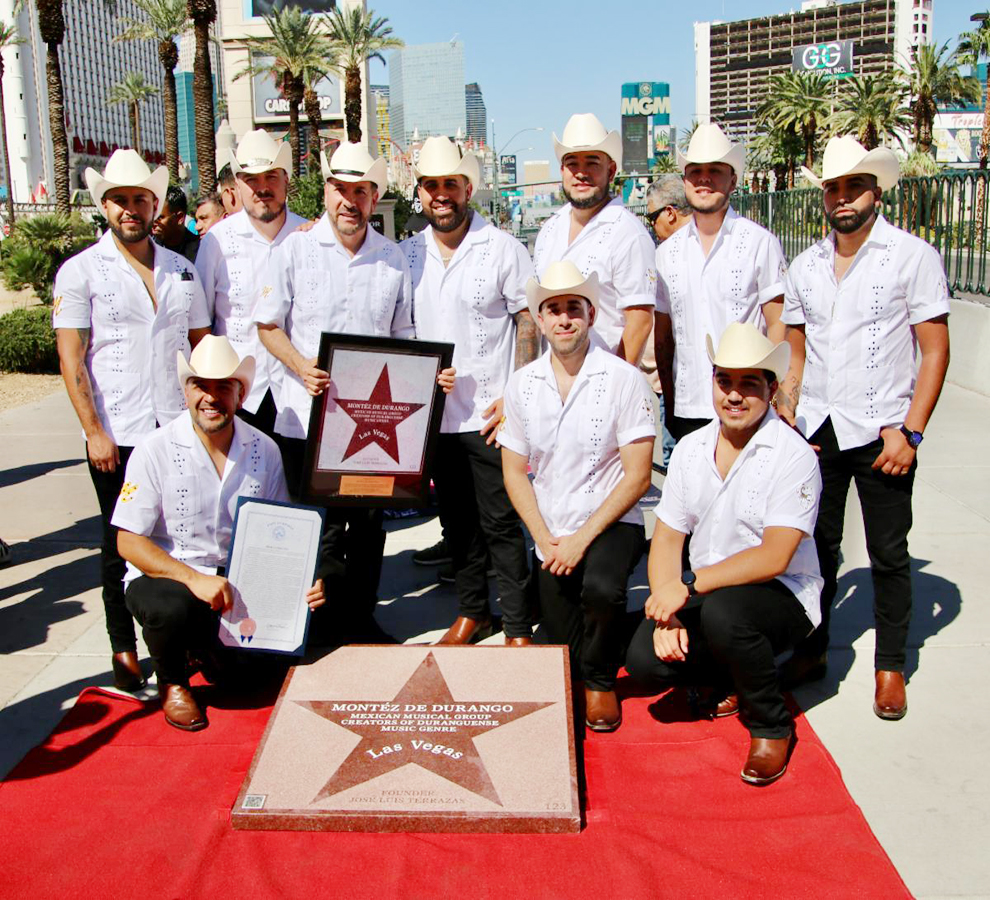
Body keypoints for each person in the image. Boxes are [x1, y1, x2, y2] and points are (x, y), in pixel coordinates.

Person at [777, 136, 951, 719]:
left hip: (884, 433)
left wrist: (912, 431)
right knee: (813, 550)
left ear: (876, 192)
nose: (843, 197)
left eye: (854, 186)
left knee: (888, 553)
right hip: (818, 429)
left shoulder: (912, 256)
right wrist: (789, 416)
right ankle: (812, 650)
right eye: (833, 187)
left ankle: (891, 665)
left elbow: (933, 350)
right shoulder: (804, 265)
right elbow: (795, 354)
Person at [255, 142, 450, 643]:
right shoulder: (293, 249)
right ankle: (313, 626)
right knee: (313, 527)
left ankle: (360, 618)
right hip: (304, 416)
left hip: (375, 423)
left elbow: (404, 336)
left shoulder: (391, 257)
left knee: (366, 527)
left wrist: (426, 379)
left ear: (374, 196)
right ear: (326, 192)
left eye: (360, 191)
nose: (349, 201)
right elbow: (268, 326)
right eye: (340, 189)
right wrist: (301, 367)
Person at [626, 323, 822, 786]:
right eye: (724, 382)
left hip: (782, 592)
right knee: (644, 660)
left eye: (749, 383)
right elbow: (669, 537)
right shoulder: (692, 449)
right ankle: (731, 673)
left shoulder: (794, 456)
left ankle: (770, 724)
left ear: (772, 390)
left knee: (727, 616)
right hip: (710, 590)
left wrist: (686, 586)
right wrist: (666, 612)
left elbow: (774, 557)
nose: (734, 396)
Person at [53, 149, 212, 693]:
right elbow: (72, 357)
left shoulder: (182, 270)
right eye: (119, 200)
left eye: (139, 199)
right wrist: (94, 430)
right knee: (117, 538)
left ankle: (178, 640)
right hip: (116, 432)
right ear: (105, 205)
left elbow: (199, 347)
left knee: (178, 533)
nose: (130, 209)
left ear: (154, 205)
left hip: (174, 428)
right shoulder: (79, 272)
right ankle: (123, 646)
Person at [112, 336, 325, 731]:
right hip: (170, 577)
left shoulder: (265, 448)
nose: (211, 397)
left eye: (223, 386)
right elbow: (128, 541)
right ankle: (173, 681)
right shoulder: (153, 449)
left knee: (254, 683)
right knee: (168, 608)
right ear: (187, 390)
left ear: (240, 394)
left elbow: (281, 529)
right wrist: (194, 579)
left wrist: (304, 580)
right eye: (201, 386)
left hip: (237, 582)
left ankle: (207, 651)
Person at [500, 261, 655, 732]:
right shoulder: (522, 384)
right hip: (551, 527)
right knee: (558, 638)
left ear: (590, 315)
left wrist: (580, 540)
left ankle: (601, 681)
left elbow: (639, 476)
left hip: (609, 520)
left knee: (602, 590)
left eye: (574, 308)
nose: (564, 319)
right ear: (541, 320)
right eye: (553, 310)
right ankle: (587, 658)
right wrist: (544, 539)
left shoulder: (624, 378)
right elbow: (513, 472)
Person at [401, 136, 540, 645]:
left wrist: (514, 394)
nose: (442, 194)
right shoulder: (406, 253)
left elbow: (528, 321)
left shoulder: (502, 247)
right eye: (432, 185)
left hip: (490, 414)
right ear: (420, 192)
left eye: (450, 185)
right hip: (434, 416)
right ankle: (472, 611)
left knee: (502, 522)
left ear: (468, 188)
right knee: (457, 523)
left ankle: (519, 623)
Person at [655, 123, 788, 442]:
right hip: (688, 412)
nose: (704, 178)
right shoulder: (666, 254)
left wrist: (776, 402)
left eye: (715, 170)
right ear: (685, 181)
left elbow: (779, 329)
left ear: (733, 180)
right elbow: (664, 339)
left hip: (747, 408)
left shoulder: (760, 243)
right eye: (695, 170)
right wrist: (671, 403)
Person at [196, 130, 308, 437]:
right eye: (251, 180)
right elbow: (200, 324)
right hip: (239, 397)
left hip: (298, 394)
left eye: (271, 177)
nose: (262, 188)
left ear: (286, 180)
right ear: (237, 186)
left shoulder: (310, 237)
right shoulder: (217, 242)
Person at [533, 113, 656, 364]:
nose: (581, 173)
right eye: (572, 164)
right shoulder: (549, 229)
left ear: (610, 171)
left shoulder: (628, 233)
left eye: (591, 163)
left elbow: (640, 320)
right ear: (562, 171)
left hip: (603, 382)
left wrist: (614, 386)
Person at [642, 174, 692, 468]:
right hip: (678, 384)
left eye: (652, 218)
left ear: (670, 213)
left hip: (676, 385)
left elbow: (663, 337)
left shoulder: (663, 258)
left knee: (680, 470)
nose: (653, 226)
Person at [153, 184, 200, 263]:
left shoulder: (200, 250)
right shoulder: (149, 250)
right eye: (152, 216)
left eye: (159, 218)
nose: (154, 222)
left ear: (180, 217)